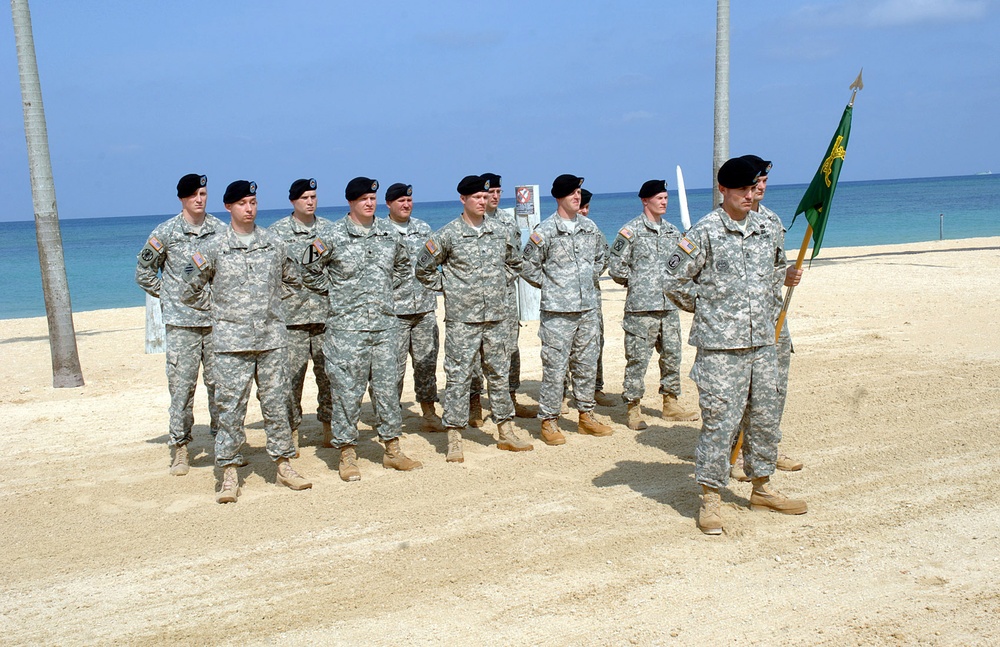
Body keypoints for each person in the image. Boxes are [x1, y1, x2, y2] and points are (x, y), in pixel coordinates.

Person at [663, 158, 806, 535]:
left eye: (752, 187)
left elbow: (772, 272)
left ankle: (762, 487)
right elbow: (673, 280)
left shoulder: (764, 227)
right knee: (720, 425)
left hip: (763, 342)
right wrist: (709, 308)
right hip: (721, 349)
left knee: (763, 419)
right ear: (723, 190)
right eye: (741, 189)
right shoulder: (705, 231)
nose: (748, 194)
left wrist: (784, 276)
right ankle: (710, 500)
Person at [182, 180, 312, 503]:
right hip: (229, 345)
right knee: (229, 410)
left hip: (271, 341)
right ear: (228, 207)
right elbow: (187, 286)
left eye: (253, 202)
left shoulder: (273, 242)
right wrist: (219, 314)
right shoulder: (213, 247)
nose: (249, 208)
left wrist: (272, 308)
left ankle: (284, 465)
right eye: (242, 203)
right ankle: (228, 473)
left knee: (277, 405)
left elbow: (294, 280)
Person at [302, 177, 423, 482]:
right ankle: (346, 453)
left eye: (372, 198)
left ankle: (393, 449)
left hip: (384, 327)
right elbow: (307, 268)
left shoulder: (387, 233)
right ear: (351, 203)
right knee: (346, 392)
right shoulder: (331, 235)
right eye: (363, 199)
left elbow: (401, 266)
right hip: (347, 330)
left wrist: (383, 294)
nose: (369, 203)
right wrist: (335, 292)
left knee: (387, 390)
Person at [415, 175, 533, 462]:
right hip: (462, 321)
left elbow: (515, 263)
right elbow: (423, 269)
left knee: (498, 374)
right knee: (458, 376)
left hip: (496, 318)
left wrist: (497, 284)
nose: (482, 201)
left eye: (485, 197)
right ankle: (455, 436)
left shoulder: (500, 230)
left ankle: (506, 431)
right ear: (463, 200)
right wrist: (450, 288)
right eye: (476, 198)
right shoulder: (447, 235)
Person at [135, 173, 224, 477]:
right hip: (182, 324)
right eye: (194, 195)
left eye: (203, 193)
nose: (200, 199)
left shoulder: (219, 230)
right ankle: (181, 448)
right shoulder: (166, 232)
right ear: (183, 199)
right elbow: (144, 272)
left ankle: (224, 447)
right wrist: (169, 295)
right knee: (182, 388)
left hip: (214, 323)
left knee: (220, 386)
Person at [521, 174, 613, 445]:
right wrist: (553, 286)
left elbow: (602, 256)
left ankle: (586, 415)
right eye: (572, 192)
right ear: (560, 197)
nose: (577, 196)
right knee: (555, 367)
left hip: (587, 309)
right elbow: (528, 266)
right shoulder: (545, 231)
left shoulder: (589, 227)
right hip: (558, 313)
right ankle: (549, 420)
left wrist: (586, 278)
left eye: (579, 192)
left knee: (586, 364)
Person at [730, 156, 804, 479]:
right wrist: (779, 276)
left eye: (763, 182)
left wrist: (786, 275)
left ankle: (766, 448)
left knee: (774, 389)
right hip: (743, 324)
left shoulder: (773, 221)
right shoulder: (732, 221)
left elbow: (774, 266)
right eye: (754, 182)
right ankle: (735, 451)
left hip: (775, 316)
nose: (760, 187)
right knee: (741, 392)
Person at [608, 179, 699, 430]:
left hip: (669, 307)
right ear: (645, 200)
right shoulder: (631, 231)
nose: (664, 202)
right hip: (641, 309)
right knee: (637, 360)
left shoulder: (672, 232)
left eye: (666, 198)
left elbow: (682, 264)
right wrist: (639, 283)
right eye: (659, 198)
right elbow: (615, 266)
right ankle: (633, 408)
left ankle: (670, 404)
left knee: (672, 357)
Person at [267, 178, 333, 454]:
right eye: (305, 197)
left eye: (314, 196)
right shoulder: (276, 233)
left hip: (325, 317)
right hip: (291, 319)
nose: (310, 201)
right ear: (293, 201)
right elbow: (270, 275)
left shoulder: (331, 230)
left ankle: (329, 428)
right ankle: (292, 431)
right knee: (290, 380)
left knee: (329, 376)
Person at [383, 182, 445, 432]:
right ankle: (390, 417)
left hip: (424, 309)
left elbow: (435, 260)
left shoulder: (422, 228)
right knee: (391, 369)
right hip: (393, 312)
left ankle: (429, 412)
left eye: (409, 200)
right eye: (400, 201)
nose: (406, 204)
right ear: (388, 204)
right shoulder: (380, 231)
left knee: (426, 364)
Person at [481, 172, 537, 419]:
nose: (494, 196)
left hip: (505, 297)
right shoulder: (473, 220)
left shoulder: (507, 221)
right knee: (478, 352)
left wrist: (501, 278)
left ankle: (510, 398)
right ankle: (475, 402)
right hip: (477, 300)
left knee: (511, 349)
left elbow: (517, 259)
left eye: (497, 192)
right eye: (489, 192)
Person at [577, 188, 617, 408]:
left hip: (591, 298)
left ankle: (595, 388)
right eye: (581, 206)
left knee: (595, 343)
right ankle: (563, 392)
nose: (584, 211)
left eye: (586, 207)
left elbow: (605, 256)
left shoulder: (594, 230)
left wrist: (588, 274)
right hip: (564, 302)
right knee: (564, 349)